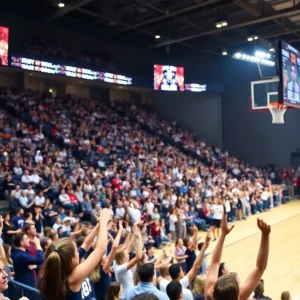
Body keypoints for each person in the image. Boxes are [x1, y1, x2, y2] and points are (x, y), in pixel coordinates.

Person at [38, 208, 111, 300]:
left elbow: (86, 244)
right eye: (76, 250)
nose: (78, 252)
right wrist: (104, 222)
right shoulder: (73, 278)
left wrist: (99, 224)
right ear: (70, 258)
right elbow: (100, 249)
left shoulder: (61, 267)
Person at [204, 214, 271, 300]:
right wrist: (265, 235)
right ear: (237, 295)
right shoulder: (240, 296)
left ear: (213, 292)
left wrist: (223, 234)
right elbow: (260, 267)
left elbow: (215, 263)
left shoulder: (209, 296)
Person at [11, 233, 45, 299]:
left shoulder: (24, 252)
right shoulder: (20, 256)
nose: (29, 240)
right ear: (21, 242)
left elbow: (38, 263)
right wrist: (37, 244)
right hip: (26, 287)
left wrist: (35, 266)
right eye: (26, 238)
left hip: (30, 283)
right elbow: (40, 259)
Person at [114, 225, 143, 299]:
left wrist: (133, 233)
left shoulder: (116, 261)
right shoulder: (121, 268)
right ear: (122, 257)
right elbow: (138, 257)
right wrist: (139, 238)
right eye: (126, 254)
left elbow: (129, 246)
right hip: (126, 297)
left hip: (129, 294)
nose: (128, 255)